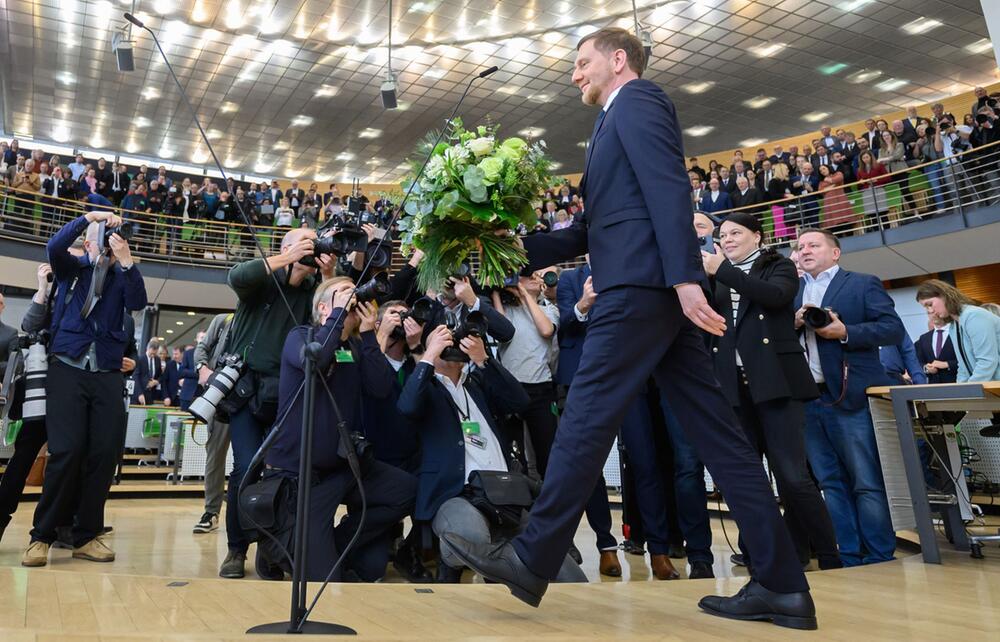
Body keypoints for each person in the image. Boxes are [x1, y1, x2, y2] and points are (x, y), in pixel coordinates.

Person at [444, 27, 815, 630]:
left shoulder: (639, 102)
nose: (574, 75)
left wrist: (685, 277)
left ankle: (532, 556)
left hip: (640, 290)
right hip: (650, 289)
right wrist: (509, 249)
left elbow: (671, 189)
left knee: (584, 419)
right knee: (722, 440)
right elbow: (593, 229)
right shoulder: (606, 127)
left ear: (619, 60)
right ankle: (783, 586)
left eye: (582, 63)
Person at [702, 214, 841, 572]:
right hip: (734, 388)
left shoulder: (776, 264)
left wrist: (724, 271)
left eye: (736, 233)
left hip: (777, 383)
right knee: (748, 479)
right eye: (723, 234)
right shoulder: (714, 273)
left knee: (793, 478)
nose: (728, 238)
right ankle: (762, 554)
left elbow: (776, 297)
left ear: (757, 236)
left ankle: (827, 553)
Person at [397, 323, 585, 584]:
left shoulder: (477, 386)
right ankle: (470, 568)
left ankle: (501, 568)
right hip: (457, 494)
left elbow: (520, 401)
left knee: (568, 573)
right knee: (470, 537)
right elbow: (407, 407)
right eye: (444, 340)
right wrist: (428, 355)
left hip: (505, 495)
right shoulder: (426, 388)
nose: (451, 344)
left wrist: (484, 359)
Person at [262, 277, 415, 581]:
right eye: (344, 292)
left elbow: (381, 388)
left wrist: (370, 334)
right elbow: (316, 361)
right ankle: (278, 548)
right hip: (303, 476)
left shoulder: (355, 347)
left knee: (406, 491)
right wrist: (338, 314)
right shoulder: (300, 337)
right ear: (322, 308)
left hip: (343, 467)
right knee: (322, 580)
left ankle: (335, 543)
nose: (353, 296)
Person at [22, 210, 147, 567]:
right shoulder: (71, 271)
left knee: (104, 454)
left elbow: (137, 302)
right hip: (67, 367)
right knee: (66, 451)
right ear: (89, 242)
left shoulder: (121, 276)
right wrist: (85, 218)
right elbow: (54, 246)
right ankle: (41, 536)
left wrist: (126, 262)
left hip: (107, 372)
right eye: (100, 237)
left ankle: (87, 535)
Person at [218, 227, 336, 579]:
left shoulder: (313, 293)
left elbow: (331, 316)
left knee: (288, 472)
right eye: (305, 242)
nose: (311, 248)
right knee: (245, 468)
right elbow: (236, 276)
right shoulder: (263, 282)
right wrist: (288, 258)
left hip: (287, 394)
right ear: (285, 247)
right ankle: (236, 549)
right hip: (246, 391)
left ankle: (273, 548)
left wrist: (327, 274)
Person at [794, 228, 902, 568]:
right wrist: (793, 322)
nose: (805, 250)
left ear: (835, 252)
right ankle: (849, 553)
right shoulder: (791, 292)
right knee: (830, 482)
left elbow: (892, 329)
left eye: (814, 244)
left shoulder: (862, 283)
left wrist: (846, 332)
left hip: (850, 395)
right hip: (808, 398)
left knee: (866, 481)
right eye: (800, 246)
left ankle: (879, 554)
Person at [553, 257, 623, 577]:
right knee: (585, 466)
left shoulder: (628, 271)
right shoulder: (571, 279)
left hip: (627, 372)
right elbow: (564, 324)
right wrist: (584, 302)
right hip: (581, 379)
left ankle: (655, 545)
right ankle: (605, 545)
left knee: (642, 460)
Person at [192, 318, 232, 534]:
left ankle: (246, 512)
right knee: (215, 457)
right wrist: (203, 369)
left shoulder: (263, 319)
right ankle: (211, 511)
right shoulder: (224, 320)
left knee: (250, 462)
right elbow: (202, 348)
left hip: (251, 399)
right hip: (220, 398)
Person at [916, 280, 1000, 383]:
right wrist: (961, 388)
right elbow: (962, 366)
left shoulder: (974, 316)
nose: (930, 311)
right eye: (926, 307)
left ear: (944, 296)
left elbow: (987, 361)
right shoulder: (954, 325)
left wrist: (970, 390)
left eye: (930, 304)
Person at [915, 317, 958, 384]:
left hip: (957, 384)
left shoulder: (958, 333)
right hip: (933, 387)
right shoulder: (924, 338)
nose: (934, 315)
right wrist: (926, 368)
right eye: (930, 313)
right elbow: (918, 362)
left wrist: (947, 364)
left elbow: (969, 359)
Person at [133, 339, 163, 404]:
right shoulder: (140, 359)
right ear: (148, 349)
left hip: (151, 395)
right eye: (152, 353)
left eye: (155, 354)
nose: (153, 355)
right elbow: (135, 377)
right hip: (140, 394)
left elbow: (161, 375)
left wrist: (156, 382)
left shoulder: (157, 360)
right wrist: (139, 394)